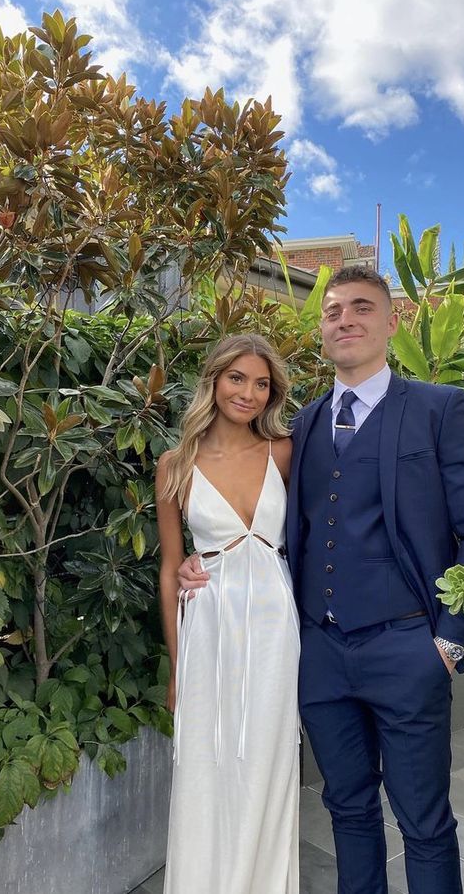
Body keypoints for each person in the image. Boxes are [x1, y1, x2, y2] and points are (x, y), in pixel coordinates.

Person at [178, 267, 464, 894]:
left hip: (410, 647)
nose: (345, 320)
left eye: (362, 307)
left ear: (391, 322)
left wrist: (451, 640)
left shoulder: (440, 409)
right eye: (332, 311)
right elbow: (262, 523)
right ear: (322, 330)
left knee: (425, 822)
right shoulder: (298, 427)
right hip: (320, 653)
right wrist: (205, 561)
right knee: (347, 810)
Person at [155, 334, 300, 894]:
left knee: (267, 758)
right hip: (208, 629)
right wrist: (175, 667)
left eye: (262, 383)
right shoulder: (175, 464)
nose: (249, 392)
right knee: (207, 761)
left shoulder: (284, 451)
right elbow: (171, 569)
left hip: (274, 625)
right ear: (213, 381)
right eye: (237, 378)